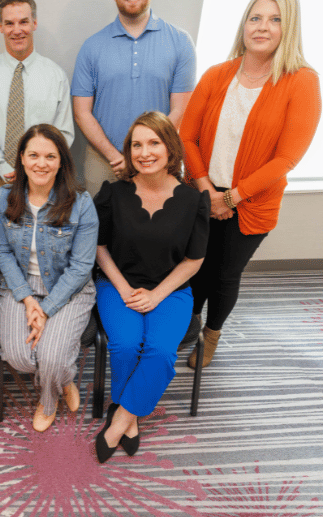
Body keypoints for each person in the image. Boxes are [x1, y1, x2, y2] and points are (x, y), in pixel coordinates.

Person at [179, 0, 321, 368]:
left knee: (225, 274)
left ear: (288, 28)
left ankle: (211, 337)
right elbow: (186, 137)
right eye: (255, 18)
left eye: (275, 19)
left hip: (252, 203)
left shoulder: (301, 81)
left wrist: (231, 198)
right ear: (244, 24)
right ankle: (184, 326)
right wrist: (207, 189)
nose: (262, 27)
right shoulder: (217, 74)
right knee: (195, 268)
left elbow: (286, 159)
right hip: (202, 192)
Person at [93, 112, 209, 463]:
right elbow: (99, 249)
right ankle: (133, 416)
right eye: (136, 145)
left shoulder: (193, 201)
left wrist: (157, 294)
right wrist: (125, 288)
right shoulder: (113, 194)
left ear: (170, 149)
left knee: (159, 352)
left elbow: (194, 260)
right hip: (118, 284)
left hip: (171, 290)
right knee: (126, 344)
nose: (144, 152)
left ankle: (122, 419)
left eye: (154, 143)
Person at [0, 124, 97, 432]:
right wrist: (27, 300)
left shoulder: (81, 203)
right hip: (19, 286)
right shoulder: (4, 198)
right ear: (22, 159)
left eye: (50, 156)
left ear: (61, 161)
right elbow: (2, 253)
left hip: (68, 288)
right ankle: (66, 378)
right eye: (33, 155)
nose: (41, 163)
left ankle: (48, 400)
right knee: (19, 358)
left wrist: (46, 309)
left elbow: (81, 267)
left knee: (50, 357)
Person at [72, 0, 196, 196]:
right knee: (101, 232)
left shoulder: (180, 43)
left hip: (159, 162)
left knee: (156, 232)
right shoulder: (92, 46)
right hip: (103, 162)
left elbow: (181, 109)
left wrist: (144, 155)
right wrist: (117, 158)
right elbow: (81, 112)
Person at [0, 0, 74, 203]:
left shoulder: (56, 76)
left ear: (34, 23)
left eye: (23, 22)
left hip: (46, 180)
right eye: (9, 23)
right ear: (1, 27)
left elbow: (64, 132)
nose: (17, 30)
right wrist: (5, 167)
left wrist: (36, 167)